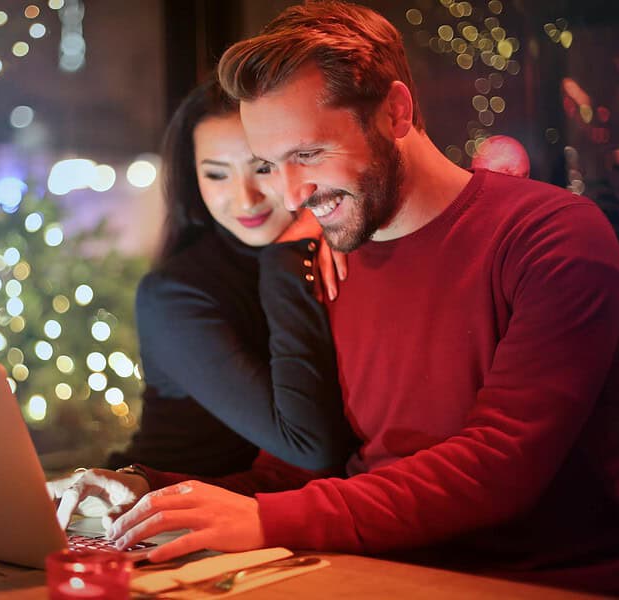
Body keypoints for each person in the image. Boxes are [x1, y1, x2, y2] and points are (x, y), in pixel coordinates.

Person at [55, 3, 619, 593]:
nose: (291, 194)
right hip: (367, 570)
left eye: (308, 154)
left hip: (531, 580)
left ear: (395, 113)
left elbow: (502, 462)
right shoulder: (330, 256)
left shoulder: (550, 237)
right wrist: (156, 493)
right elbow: (306, 472)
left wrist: (267, 519)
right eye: (272, 164)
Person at [49, 77, 356, 520]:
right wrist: (288, 254)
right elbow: (309, 446)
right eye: (216, 174)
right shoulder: (176, 294)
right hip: (149, 517)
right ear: (194, 180)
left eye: (262, 168)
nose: (244, 198)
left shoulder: (333, 253)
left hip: (257, 519)